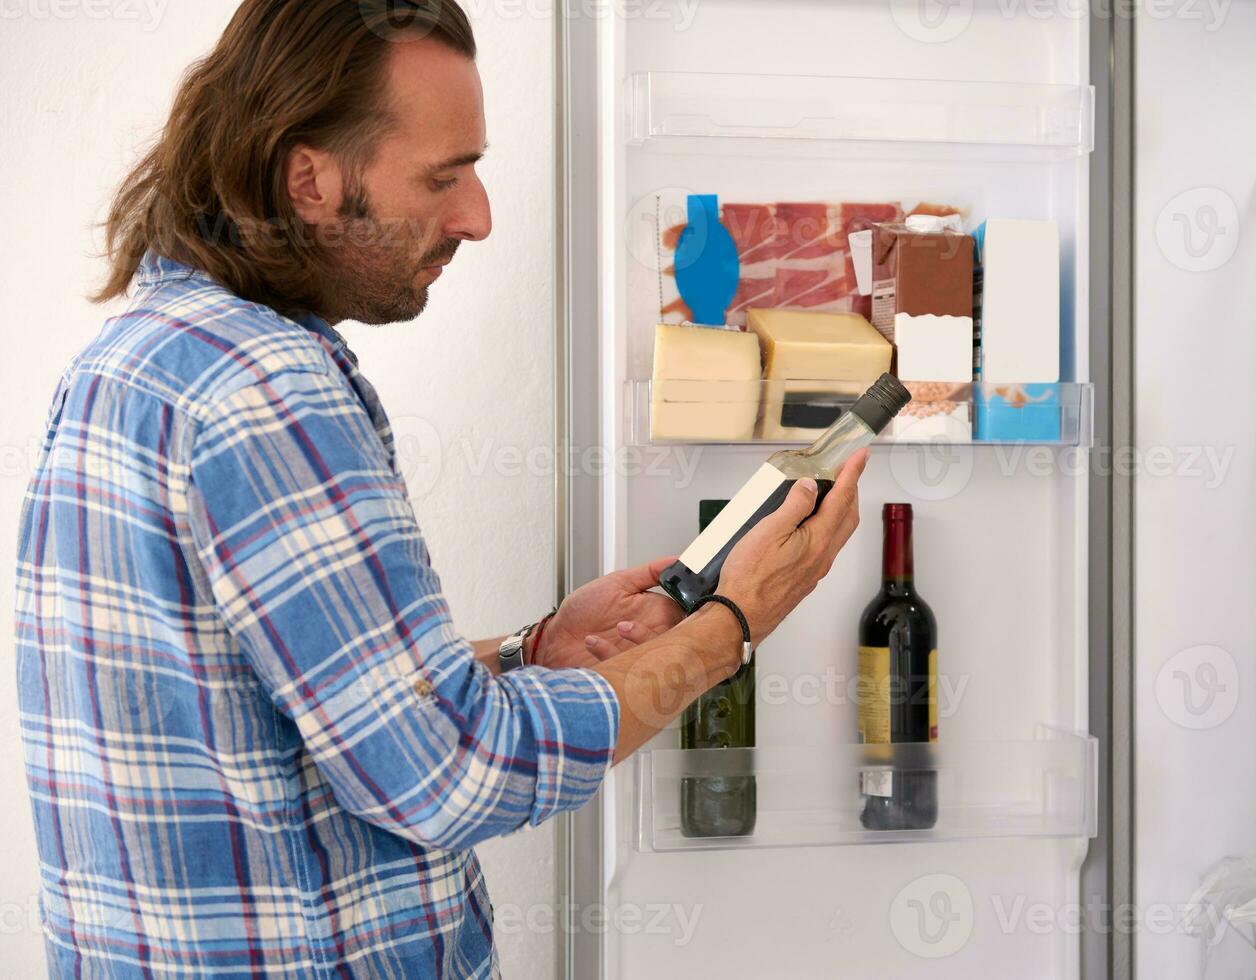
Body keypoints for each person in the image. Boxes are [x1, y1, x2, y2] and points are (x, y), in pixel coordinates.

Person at [12, 2, 866, 976]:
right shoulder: (267, 392)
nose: (479, 215)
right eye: (443, 175)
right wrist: (736, 625)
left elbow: (292, 693)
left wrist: (533, 650)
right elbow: (449, 771)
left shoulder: (133, 360)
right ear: (311, 181)